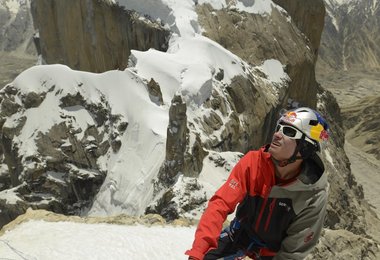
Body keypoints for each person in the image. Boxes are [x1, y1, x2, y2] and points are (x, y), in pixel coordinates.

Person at [185, 107, 330, 260]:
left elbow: (292, 254)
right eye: (279, 128)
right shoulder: (254, 162)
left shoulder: (313, 196)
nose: (277, 134)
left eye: (289, 132)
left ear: (305, 148)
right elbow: (220, 204)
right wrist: (198, 252)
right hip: (235, 240)